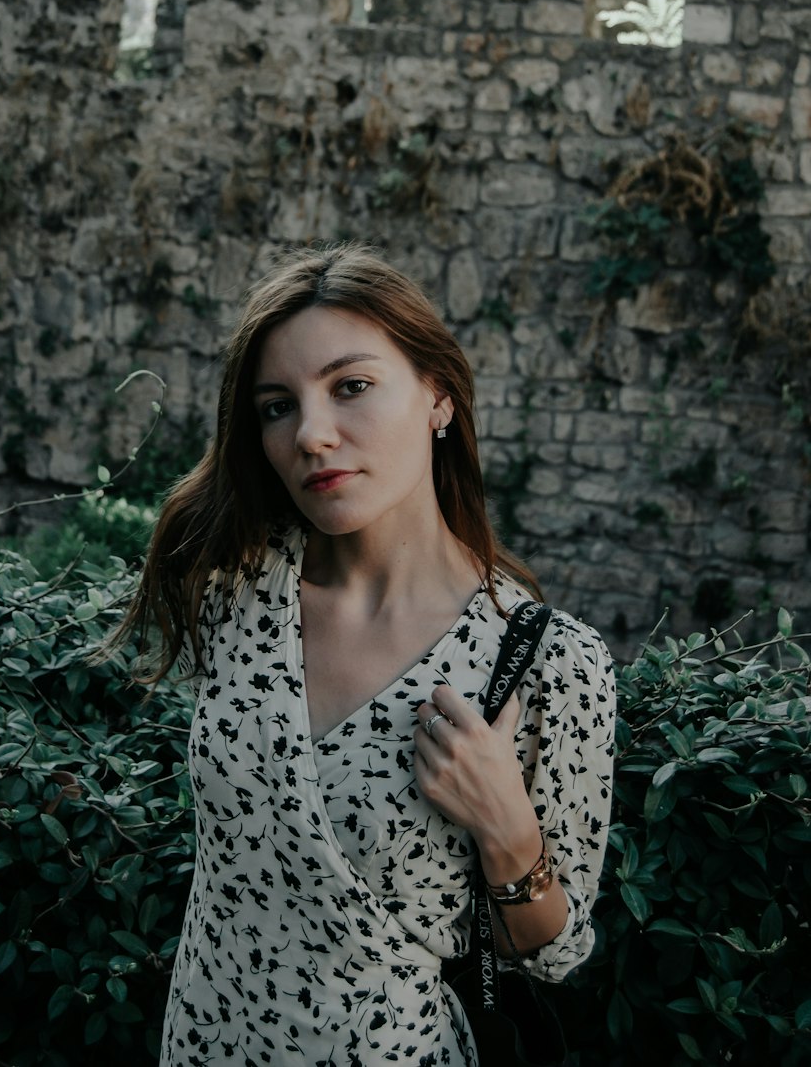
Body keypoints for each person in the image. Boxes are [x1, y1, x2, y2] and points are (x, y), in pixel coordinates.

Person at [113, 243, 615, 1067]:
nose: (311, 434)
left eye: (351, 387)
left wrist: (508, 829)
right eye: (278, 406)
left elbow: (552, 952)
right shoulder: (238, 588)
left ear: (438, 398)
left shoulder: (546, 662)